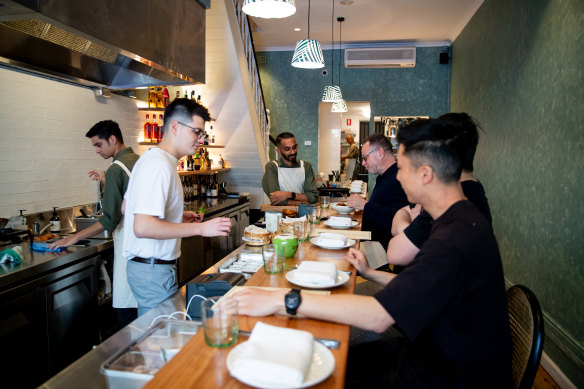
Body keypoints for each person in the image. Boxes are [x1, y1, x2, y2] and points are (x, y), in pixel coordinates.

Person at [232, 118, 512, 388]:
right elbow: (417, 289)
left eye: (401, 168)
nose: (398, 177)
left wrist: (283, 299)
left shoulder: (454, 239)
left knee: (320, 364)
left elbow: (379, 315)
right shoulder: (459, 219)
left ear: (425, 174)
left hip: (447, 375)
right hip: (430, 352)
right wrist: (368, 273)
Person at [123, 98, 232, 316]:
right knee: (159, 339)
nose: (201, 139)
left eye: (202, 133)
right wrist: (201, 229)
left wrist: (177, 217)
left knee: (160, 335)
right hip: (153, 270)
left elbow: (128, 207)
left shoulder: (155, 160)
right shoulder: (159, 166)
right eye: (196, 132)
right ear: (175, 127)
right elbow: (142, 227)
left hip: (150, 269)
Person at [48, 120, 139, 326]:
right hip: (145, 246)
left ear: (113, 140)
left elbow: (109, 220)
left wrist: (72, 237)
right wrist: (107, 176)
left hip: (129, 246)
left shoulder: (117, 168)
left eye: (98, 144)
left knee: (128, 312)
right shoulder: (137, 160)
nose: (96, 150)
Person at [388, 112, 492, 266]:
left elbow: (395, 254)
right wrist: (410, 228)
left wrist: (409, 228)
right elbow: (401, 213)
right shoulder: (473, 189)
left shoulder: (449, 203)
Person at [346, 134, 409, 250]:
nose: (363, 163)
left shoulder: (400, 178)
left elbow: (401, 217)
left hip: (384, 247)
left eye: (365, 158)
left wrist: (366, 206)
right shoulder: (385, 177)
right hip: (372, 240)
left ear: (380, 153)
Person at [262, 132, 319, 206]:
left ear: (297, 146)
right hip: (277, 214)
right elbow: (276, 200)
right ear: (278, 151)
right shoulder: (272, 167)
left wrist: (288, 194)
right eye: (287, 149)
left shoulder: (306, 166)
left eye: (294, 147)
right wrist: (299, 202)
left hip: (301, 215)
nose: (292, 152)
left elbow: (313, 197)